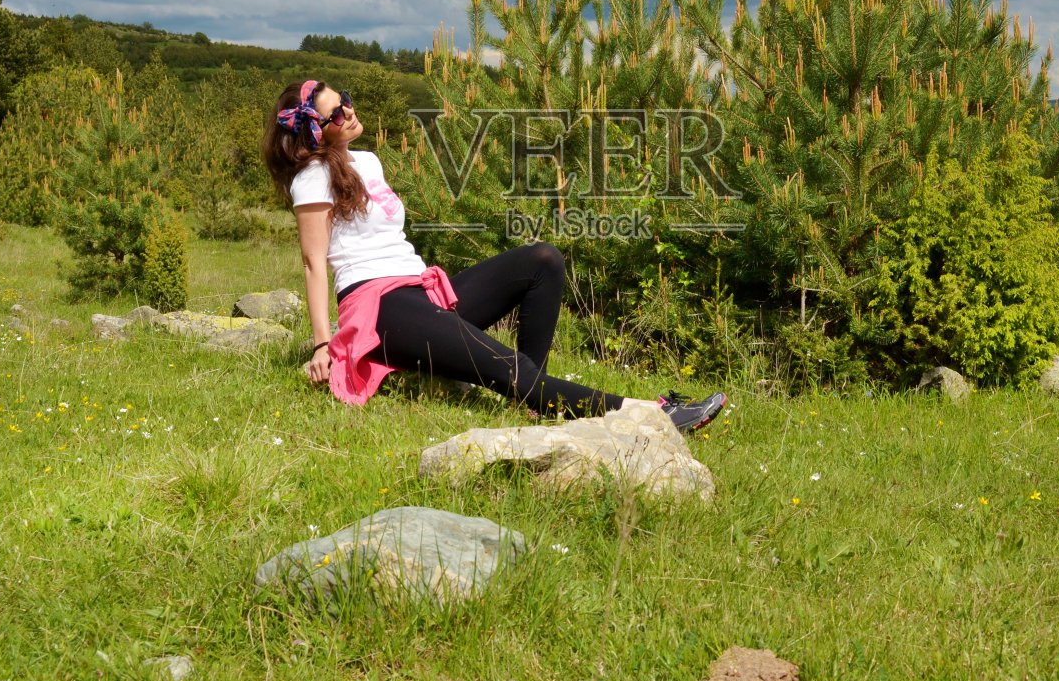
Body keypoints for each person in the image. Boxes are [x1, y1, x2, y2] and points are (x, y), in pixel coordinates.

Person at [261, 77, 726, 433]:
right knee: (504, 366)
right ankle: (652, 416)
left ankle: (533, 393)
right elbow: (313, 263)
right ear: (314, 132)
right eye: (335, 113)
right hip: (380, 308)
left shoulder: (369, 162)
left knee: (542, 260)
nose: (349, 111)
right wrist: (323, 343)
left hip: (423, 291)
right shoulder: (312, 179)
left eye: (344, 100)